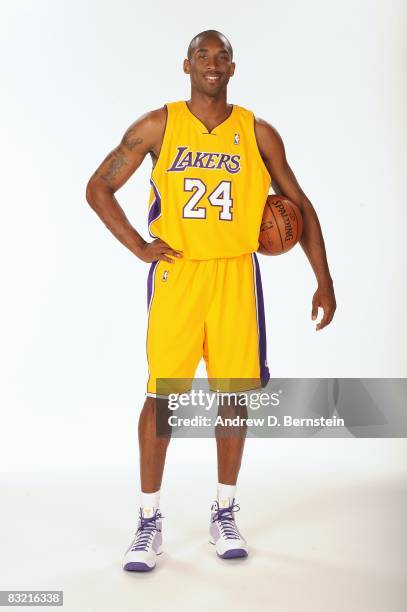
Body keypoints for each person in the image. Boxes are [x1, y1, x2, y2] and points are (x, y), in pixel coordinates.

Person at [85, 29, 336, 572]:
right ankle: (148, 520)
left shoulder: (258, 132)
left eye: (222, 56)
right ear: (187, 64)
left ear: (233, 67)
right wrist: (139, 248)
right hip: (178, 275)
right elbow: (97, 187)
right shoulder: (159, 124)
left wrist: (324, 277)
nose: (213, 64)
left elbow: (299, 204)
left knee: (232, 396)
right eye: (203, 55)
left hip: (234, 278)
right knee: (163, 397)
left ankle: (224, 510)